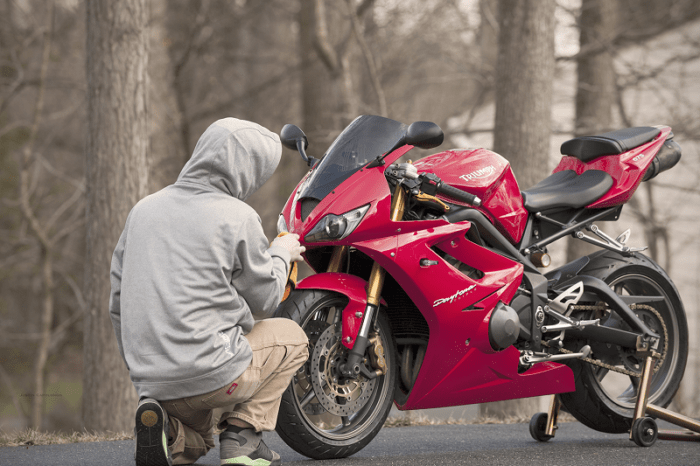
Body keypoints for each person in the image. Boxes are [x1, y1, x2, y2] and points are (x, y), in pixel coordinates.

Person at [109, 118, 309, 466]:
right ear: (246, 171)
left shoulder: (142, 210)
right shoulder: (236, 216)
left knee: (198, 443)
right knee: (293, 338)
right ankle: (243, 438)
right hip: (212, 375)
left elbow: (117, 303)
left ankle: (170, 432)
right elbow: (265, 300)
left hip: (152, 381)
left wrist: (145, 366)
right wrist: (282, 252)